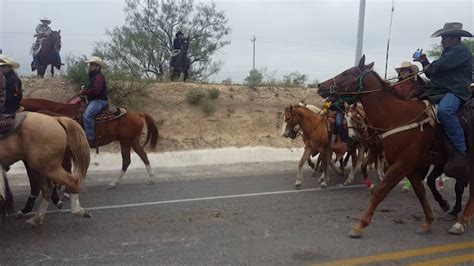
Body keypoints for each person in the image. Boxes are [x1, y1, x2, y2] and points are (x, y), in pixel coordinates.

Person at [413, 22, 472, 184]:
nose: (442, 41)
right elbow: (433, 73)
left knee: (445, 111)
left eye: (444, 37)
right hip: (440, 90)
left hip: (456, 90)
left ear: (454, 38)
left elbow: (436, 68)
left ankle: (461, 151)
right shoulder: (449, 53)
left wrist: (426, 63)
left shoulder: (460, 51)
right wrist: (425, 62)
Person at [80, 56, 109, 147]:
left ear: (98, 67)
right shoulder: (94, 76)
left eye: (92, 64)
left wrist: (85, 91)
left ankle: (90, 138)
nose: (90, 66)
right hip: (95, 100)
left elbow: (97, 90)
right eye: (90, 64)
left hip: (99, 100)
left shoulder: (98, 77)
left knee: (87, 115)